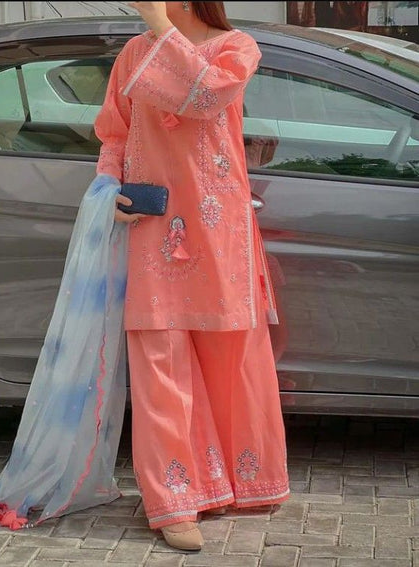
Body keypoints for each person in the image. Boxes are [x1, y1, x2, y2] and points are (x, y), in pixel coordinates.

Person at [94, 1, 290, 552]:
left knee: (232, 358)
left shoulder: (236, 49)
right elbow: (114, 133)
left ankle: (237, 481)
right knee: (160, 360)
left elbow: (207, 96)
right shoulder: (134, 53)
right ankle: (175, 500)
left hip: (218, 227)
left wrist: (160, 26)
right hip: (153, 226)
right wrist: (110, 188)